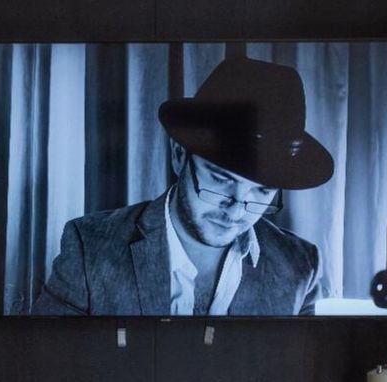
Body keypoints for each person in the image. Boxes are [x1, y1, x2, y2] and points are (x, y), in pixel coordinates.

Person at [30, 56, 336, 316]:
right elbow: (50, 357)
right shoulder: (90, 247)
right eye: (221, 179)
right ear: (179, 156)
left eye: (263, 190)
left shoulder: (301, 265)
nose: (236, 209)